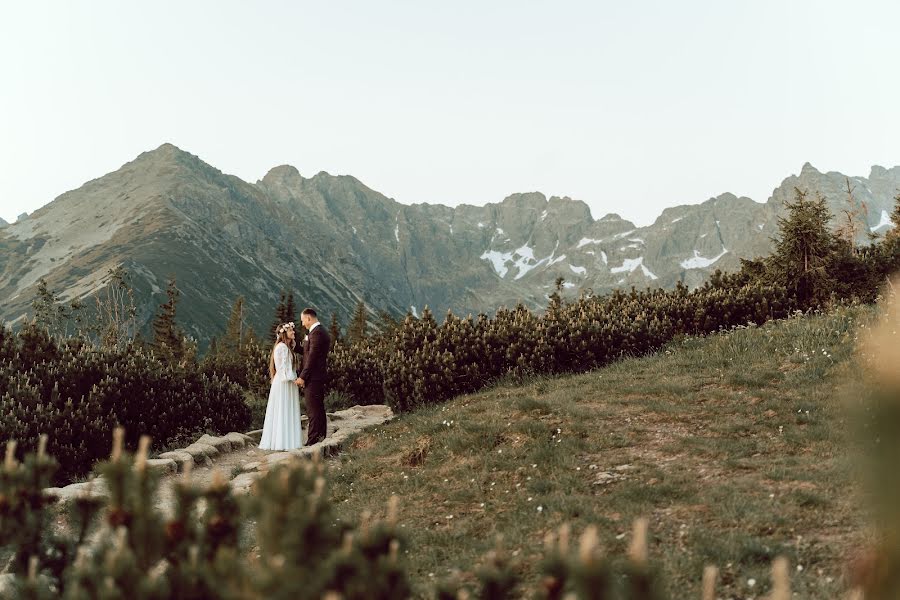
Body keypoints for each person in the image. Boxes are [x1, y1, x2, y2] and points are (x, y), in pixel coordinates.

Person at [259, 322, 303, 450]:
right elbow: (283, 369)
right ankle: (283, 442)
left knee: (285, 409)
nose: (293, 332)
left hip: (287, 382)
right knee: (283, 409)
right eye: (290, 331)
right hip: (285, 383)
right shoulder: (282, 348)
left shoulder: (286, 347)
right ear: (284, 333)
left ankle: (286, 441)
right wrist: (294, 379)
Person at [296, 308, 331, 445]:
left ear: (309, 318)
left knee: (313, 410)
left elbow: (312, 357)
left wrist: (303, 376)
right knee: (317, 407)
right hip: (316, 376)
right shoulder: (316, 332)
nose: (302, 324)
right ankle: (320, 436)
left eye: (303, 320)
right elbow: (307, 352)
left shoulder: (317, 333)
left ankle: (313, 440)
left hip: (314, 377)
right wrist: (294, 347)